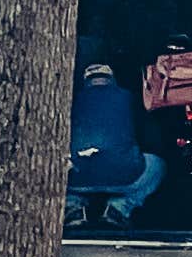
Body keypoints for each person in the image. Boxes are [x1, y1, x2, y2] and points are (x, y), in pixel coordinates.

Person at [67, 61, 163, 229]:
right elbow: (148, 134)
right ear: (112, 79)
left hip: (76, 177)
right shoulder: (130, 98)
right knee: (158, 165)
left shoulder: (70, 100)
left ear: (85, 81)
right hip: (125, 175)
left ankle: (72, 207)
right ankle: (119, 208)